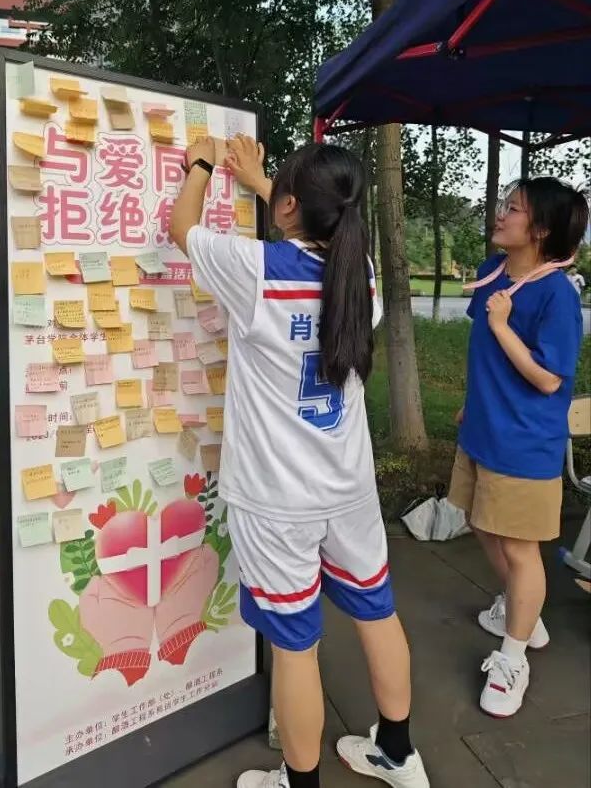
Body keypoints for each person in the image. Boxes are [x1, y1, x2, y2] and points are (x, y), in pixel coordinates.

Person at [170, 135, 429, 788]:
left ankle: (299, 782)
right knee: (376, 612)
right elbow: (318, 226)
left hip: (278, 502)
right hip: (349, 490)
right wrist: (266, 184)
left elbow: (182, 227)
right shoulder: (358, 273)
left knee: (295, 648)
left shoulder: (257, 269)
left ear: (289, 206)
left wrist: (201, 162)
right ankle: (399, 755)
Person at [450, 177, 588, 719]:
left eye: (513, 208)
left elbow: (549, 379)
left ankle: (513, 660)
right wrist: (471, 401)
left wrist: (504, 325)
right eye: (504, 204)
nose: (500, 213)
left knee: (519, 548)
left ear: (542, 229)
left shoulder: (557, 295)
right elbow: (483, 350)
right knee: (483, 524)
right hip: (482, 429)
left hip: (524, 443)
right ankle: (523, 612)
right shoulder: (494, 270)